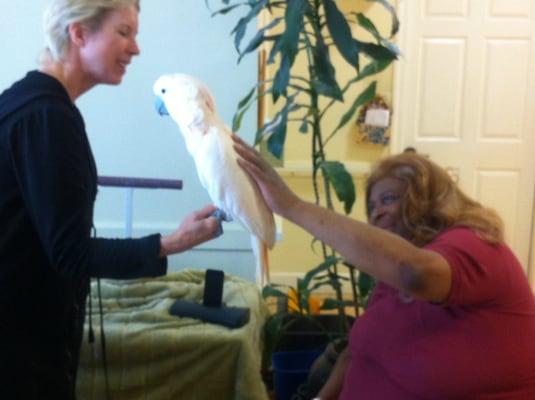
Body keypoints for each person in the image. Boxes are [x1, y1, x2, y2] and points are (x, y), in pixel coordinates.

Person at [0, 1, 220, 398]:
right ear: (79, 33)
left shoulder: (32, 103)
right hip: (19, 351)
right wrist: (173, 242)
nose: (135, 48)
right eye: (124, 32)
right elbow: (70, 254)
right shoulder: (47, 116)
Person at [232, 134, 535, 399]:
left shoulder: (477, 245)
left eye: (388, 199)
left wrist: (293, 206)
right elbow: (357, 352)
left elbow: (415, 272)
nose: (377, 214)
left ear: (430, 199)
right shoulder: (395, 275)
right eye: (373, 206)